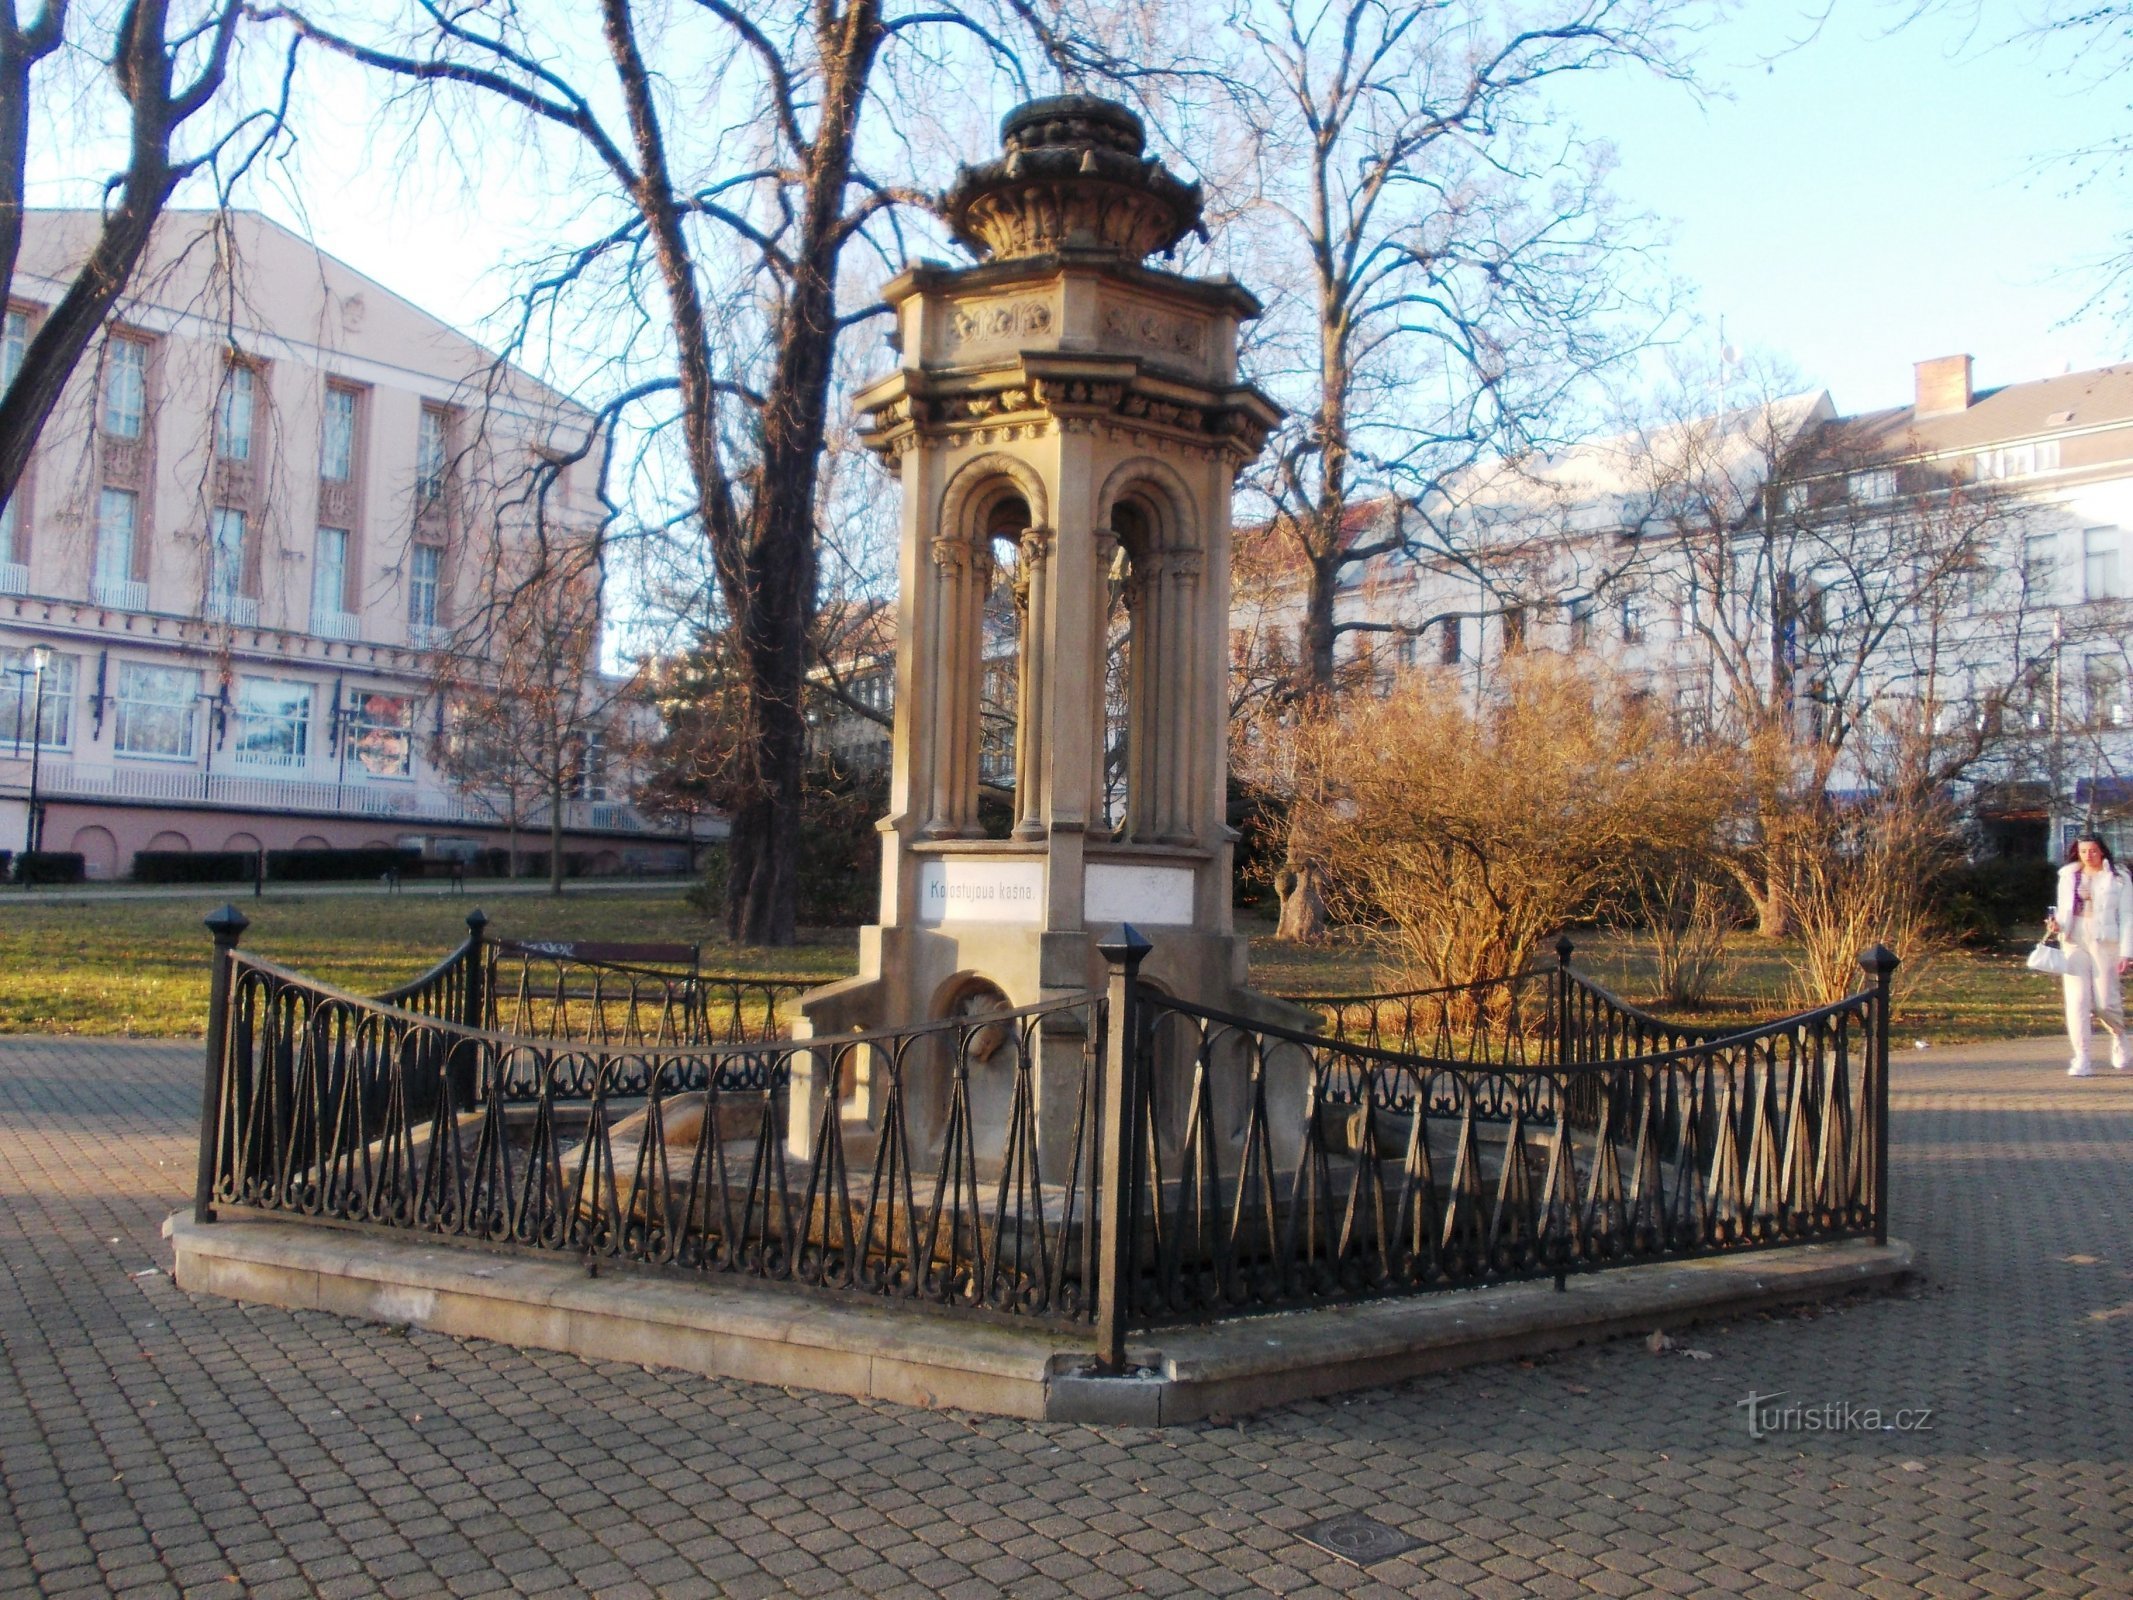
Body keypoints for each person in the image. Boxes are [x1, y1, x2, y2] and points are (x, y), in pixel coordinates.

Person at [2047, 833, 2133, 1076]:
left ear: (2102, 851)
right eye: (2084, 851)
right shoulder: (2068, 876)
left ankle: (2118, 1034)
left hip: (2105, 942)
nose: (2089, 856)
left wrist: (2127, 952)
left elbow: (2128, 916)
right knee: (2077, 1001)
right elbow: (2063, 910)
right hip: (2074, 939)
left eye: (2093, 851)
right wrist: (2056, 925)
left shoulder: (2119, 877)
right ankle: (2082, 1057)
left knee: (2105, 1002)